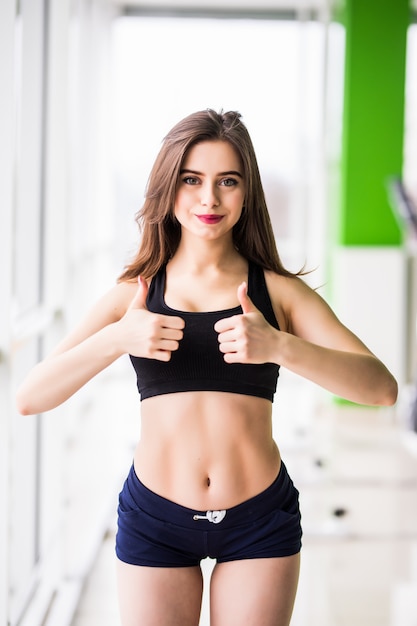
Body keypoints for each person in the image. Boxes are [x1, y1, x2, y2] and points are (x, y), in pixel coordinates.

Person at [16, 109, 398, 626]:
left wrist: (280, 346)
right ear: (168, 188)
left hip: (259, 520)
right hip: (156, 519)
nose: (209, 199)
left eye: (228, 182)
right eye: (192, 180)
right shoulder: (134, 295)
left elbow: (381, 389)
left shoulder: (278, 293)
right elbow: (30, 396)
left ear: (247, 193)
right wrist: (117, 337)